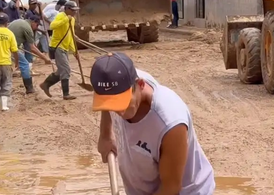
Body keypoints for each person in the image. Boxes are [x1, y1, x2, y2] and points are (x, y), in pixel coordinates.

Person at [91, 52, 215, 195]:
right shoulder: (119, 80)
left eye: (122, 103)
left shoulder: (170, 123)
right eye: (112, 104)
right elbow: (107, 99)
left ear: (141, 85)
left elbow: (170, 189)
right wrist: (105, 134)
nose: (119, 112)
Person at [39, 1, 79, 100]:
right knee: (65, 70)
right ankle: (66, 94)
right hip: (57, 47)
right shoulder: (61, 16)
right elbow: (52, 25)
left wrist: (74, 51)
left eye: (75, 11)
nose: (75, 13)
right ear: (67, 9)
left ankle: (46, 84)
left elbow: (70, 36)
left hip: (64, 48)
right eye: (73, 10)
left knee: (62, 70)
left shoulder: (72, 20)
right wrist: (66, 19)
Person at [8, 15, 52, 94]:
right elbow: (32, 48)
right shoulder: (28, 28)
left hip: (5, 46)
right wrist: (45, 58)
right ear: (33, 22)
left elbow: (28, 44)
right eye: (37, 25)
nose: (36, 27)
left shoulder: (19, 21)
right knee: (24, 64)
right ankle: (29, 89)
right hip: (10, 48)